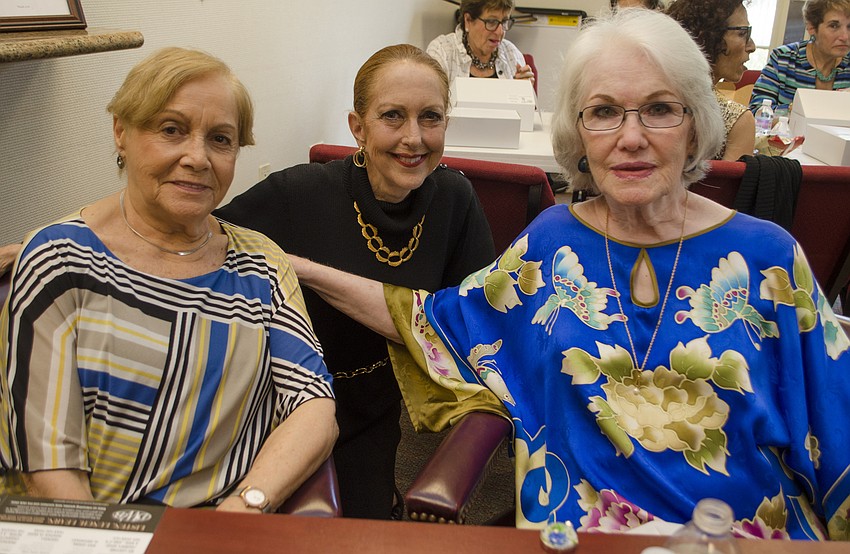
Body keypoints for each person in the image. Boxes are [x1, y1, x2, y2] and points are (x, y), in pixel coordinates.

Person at [289, 9, 850, 540]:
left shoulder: (768, 257)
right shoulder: (551, 244)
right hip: (578, 536)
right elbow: (432, 320)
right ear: (579, 135)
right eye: (604, 112)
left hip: (742, 539)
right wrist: (299, 268)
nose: (630, 137)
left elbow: (837, 428)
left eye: (658, 108)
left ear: (695, 125)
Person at [0, 47, 337, 513]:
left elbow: (314, 406)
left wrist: (245, 506)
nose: (197, 158)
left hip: (225, 525)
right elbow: (47, 465)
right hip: (91, 532)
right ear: (121, 131)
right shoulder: (59, 260)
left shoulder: (261, 264)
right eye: (171, 130)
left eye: (220, 139)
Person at [214, 44, 496, 519]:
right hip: (275, 407)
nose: (414, 138)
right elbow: (202, 244)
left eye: (431, 117)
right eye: (392, 116)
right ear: (357, 128)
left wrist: (299, 267)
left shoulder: (454, 198)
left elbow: (475, 324)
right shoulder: (298, 192)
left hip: (373, 413)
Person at [667, 0, 756, 160]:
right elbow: (726, 186)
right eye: (742, 33)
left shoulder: (649, 102)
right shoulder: (737, 122)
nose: (751, 46)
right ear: (707, 35)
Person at [750, 0, 850, 112]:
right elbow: (756, 111)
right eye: (834, 26)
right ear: (811, 27)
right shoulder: (783, 58)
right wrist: (797, 110)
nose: (845, 36)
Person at [426, 0, 535, 83]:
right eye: (491, 22)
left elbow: (528, 111)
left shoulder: (512, 53)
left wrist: (525, 95)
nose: (500, 31)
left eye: (505, 22)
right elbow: (430, 107)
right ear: (468, 20)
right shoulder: (441, 52)